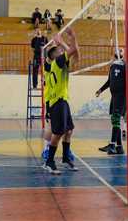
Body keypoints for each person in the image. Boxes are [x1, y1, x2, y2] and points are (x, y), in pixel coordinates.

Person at [43, 27, 79, 175]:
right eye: (57, 50)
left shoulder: (59, 64)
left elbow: (76, 53)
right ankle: (49, 162)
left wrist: (66, 40)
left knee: (69, 130)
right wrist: (68, 38)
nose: (60, 50)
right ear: (54, 56)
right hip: (57, 102)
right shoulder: (57, 62)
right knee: (57, 133)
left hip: (62, 100)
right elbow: (73, 49)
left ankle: (65, 157)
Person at [95, 49, 128, 154]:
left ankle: (112, 145)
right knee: (114, 120)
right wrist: (100, 90)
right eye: (117, 50)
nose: (119, 51)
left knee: (116, 118)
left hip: (122, 96)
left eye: (121, 50)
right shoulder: (112, 66)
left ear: (123, 54)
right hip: (114, 96)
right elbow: (109, 81)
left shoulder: (126, 66)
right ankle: (119, 147)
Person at [41, 54, 74, 162]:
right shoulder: (49, 68)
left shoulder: (56, 68)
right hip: (51, 100)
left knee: (67, 129)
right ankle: (46, 148)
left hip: (58, 99)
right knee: (51, 127)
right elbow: (48, 60)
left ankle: (66, 152)